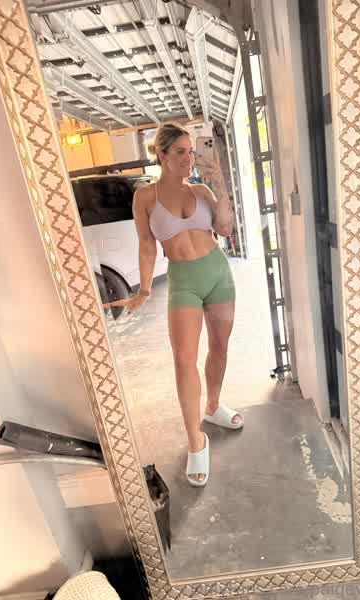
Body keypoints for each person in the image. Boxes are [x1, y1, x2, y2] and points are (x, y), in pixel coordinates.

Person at [104, 122, 243, 487]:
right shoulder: (145, 197)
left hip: (217, 273)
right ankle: (196, 440)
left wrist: (219, 183)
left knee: (220, 348)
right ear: (162, 155)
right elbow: (147, 245)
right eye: (180, 152)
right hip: (183, 282)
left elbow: (225, 228)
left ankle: (213, 406)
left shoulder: (200, 189)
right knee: (184, 360)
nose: (188, 158)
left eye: (191, 151)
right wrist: (145, 290)